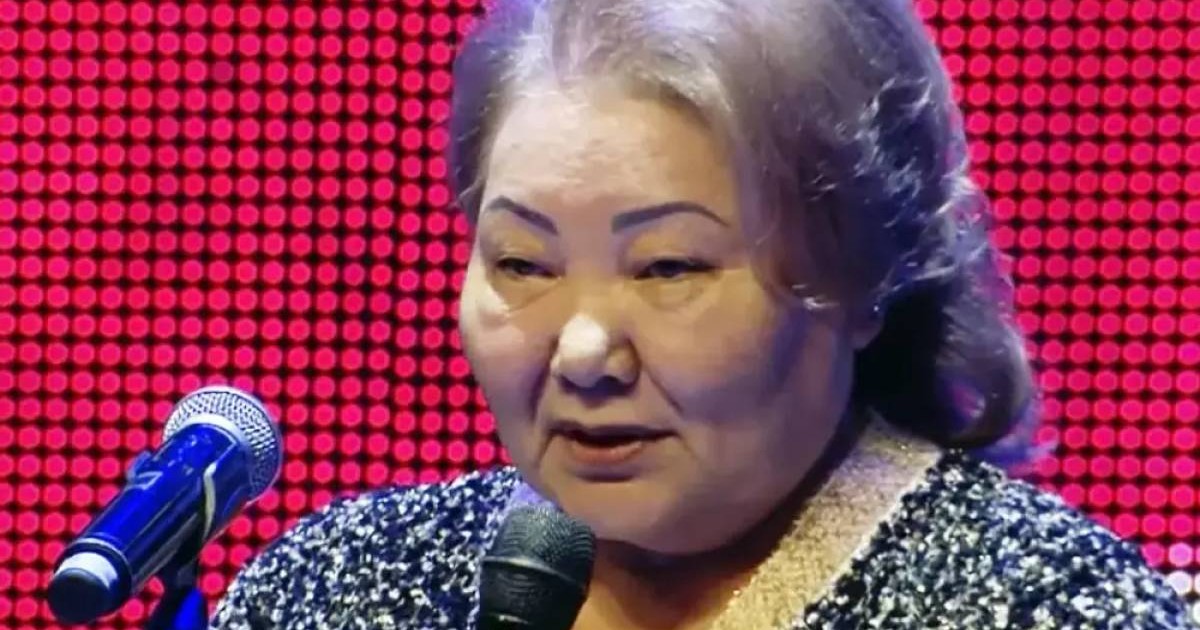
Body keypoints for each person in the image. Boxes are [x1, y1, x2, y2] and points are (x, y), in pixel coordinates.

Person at [209, 0, 1193, 628]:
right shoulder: (336, 588)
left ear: (861, 278)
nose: (583, 350)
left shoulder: (1042, 605)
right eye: (522, 262)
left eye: (668, 266)